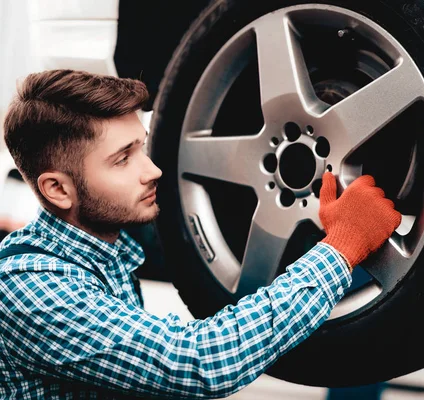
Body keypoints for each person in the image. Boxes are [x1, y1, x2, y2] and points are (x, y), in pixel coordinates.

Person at [0, 69, 402, 399]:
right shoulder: (27, 287)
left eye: (141, 147)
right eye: (122, 159)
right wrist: (340, 248)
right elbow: (197, 362)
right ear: (58, 189)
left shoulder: (104, 254)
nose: (153, 170)